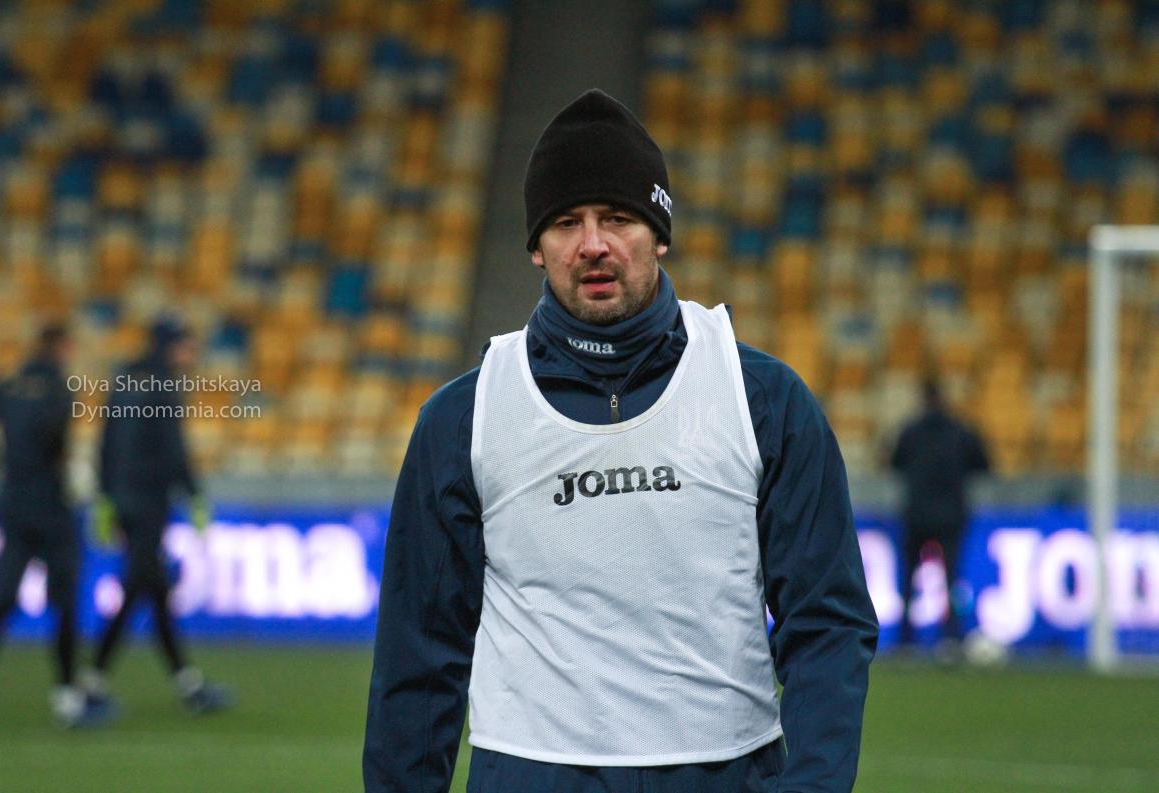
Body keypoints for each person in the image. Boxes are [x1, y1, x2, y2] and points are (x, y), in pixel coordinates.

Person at [364, 90, 878, 793]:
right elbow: (418, 654)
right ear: (536, 248)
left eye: (618, 217)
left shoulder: (762, 398)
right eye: (565, 222)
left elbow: (826, 622)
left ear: (659, 232)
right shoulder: (463, 418)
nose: (593, 244)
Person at [81, 317, 230, 715]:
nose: (192, 354)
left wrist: (105, 498)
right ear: (170, 346)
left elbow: (106, 441)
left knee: (153, 588)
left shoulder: (125, 379)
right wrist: (194, 494)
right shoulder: (164, 384)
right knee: (138, 587)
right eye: (187, 346)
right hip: (149, 502)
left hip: (123, 501)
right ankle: (91, 680)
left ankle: (187, 684)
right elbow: (172, 447)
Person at [0, 324, 109, 727]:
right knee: (64, 602)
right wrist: (71, 472)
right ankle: (67, 697)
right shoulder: (60, 390)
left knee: (3, 598)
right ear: (61, 348)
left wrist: (3, 453)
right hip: (51, 506)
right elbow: (54, 441)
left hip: (13, 503)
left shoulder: (8, 384)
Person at [890, 378, 991, 652]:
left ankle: (906, 638)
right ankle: (952, 635)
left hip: (917, 515)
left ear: (924, 399)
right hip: (951, 516)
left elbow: (894, 463)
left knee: (910, 578)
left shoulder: (910, 432)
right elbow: (984, 465)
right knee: (952, 578)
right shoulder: (961, 432)